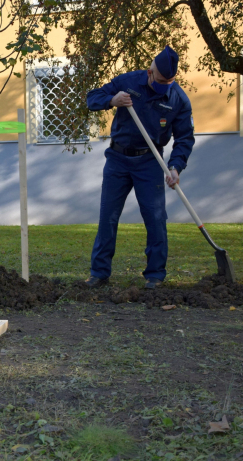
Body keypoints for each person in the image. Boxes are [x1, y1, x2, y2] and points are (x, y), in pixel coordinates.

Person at [85, 45, 195, 290]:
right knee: (108, 216)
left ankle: (155, 275)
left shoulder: (178, 99)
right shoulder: (128, 81)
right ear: (149, 71)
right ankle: (99, 272)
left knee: (156, 219)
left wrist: (176, 167)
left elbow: (185, 138)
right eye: (159, 80)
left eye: (168, 82)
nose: (162, 86)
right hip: (118, 158)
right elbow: (92, 98)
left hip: (150, 162)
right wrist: (112, 100)